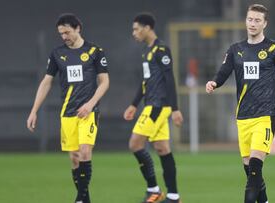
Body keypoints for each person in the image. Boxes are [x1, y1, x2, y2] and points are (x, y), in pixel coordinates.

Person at [206, 4, 275, 203]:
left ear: (265, 23)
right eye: (250, 19)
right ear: (246, 20)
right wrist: (214, 82)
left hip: (265, 115)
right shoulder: (236, 49)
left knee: (255, 167)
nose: (252, 24)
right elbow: (224, 71)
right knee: (250, 171)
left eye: (257, 20)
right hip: (243, 116)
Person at [26, 13, 110, 203]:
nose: (64, 36)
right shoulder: (57, 54)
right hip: (68, 112)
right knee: (74, 158)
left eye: (67, 32)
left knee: (85, 152)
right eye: (61, 34)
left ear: (78, 28)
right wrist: (34, 110)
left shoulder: (95, 51)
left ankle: (80, 199)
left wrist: (91, 104)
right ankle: (85, 199)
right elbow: (46, 82)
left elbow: (104, 82)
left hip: (88, 112)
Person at [123, 13, 184, 203]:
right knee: (162, 148)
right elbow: (145, 82)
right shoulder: (146, 52)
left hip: (158, 106)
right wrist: (134, 104)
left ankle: (153, 190)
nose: (134, 33)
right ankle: (173, 196)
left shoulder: (162, 49)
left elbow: (169, 79)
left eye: (136, 28)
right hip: (151, 104)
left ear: (147, 28)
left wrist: (175, 108)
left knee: (135, 144)